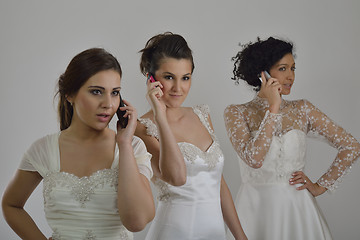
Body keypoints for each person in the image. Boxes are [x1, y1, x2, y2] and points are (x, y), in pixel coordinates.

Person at [2, 48, 155, 240]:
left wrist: (123, 144)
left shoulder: (133, 147)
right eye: (96, 92)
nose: (108, 103)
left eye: (114, 93)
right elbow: (11, 205)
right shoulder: (43, 150)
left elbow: (137, 222)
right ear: (69, 94)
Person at [224, 36, 360, 240]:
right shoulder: (237, 112)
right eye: (282, 68)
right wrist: (274, 108)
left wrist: (320, 186)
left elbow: (351, 145)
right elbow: (254, 159)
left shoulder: (303, 109)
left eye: (293, 69)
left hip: (297, 208)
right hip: (255, 208)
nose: (290, 77)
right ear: (262, 73)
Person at [134, 32, 248, 240]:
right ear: (151, 79)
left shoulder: (201, 114)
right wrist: (160, 116)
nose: (179, 88)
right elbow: (175, 177)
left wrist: (240, 236)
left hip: (215, 234)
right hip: (173, 233)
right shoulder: (141, 128)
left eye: (185, 78)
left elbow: (219, 184)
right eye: (169, 77)